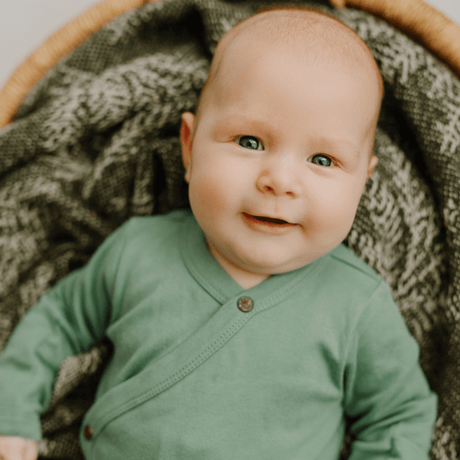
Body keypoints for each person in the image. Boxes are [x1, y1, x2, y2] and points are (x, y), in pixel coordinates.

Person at [0, 3, 437, 460]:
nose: (280, 181)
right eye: (250, 142)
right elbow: (57, 322)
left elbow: (399, 416)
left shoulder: (356, 304)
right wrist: (12, 412)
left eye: (322, 160)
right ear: (189, 149)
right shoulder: (138, 249)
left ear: (363, 183)